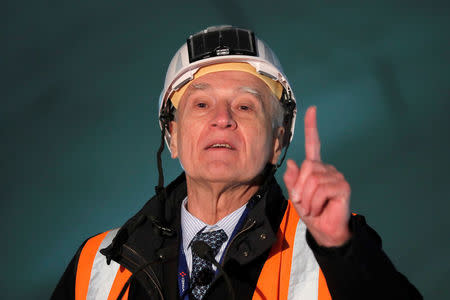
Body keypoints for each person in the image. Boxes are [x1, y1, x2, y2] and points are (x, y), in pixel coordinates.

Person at [51, 25, 422, 300]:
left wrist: (342, 252)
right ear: (172, 137)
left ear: (278, 143)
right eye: (201, 104)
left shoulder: (338, 244)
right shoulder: (96, 265)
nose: (222, 118)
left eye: (245, 106)